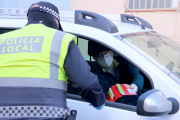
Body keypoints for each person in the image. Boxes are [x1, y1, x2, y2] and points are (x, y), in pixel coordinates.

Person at [0, 1, 105, 120]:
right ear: (55, 20)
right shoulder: (61, 39)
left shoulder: (2, 40)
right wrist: (99, 101)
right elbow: (86, 82)